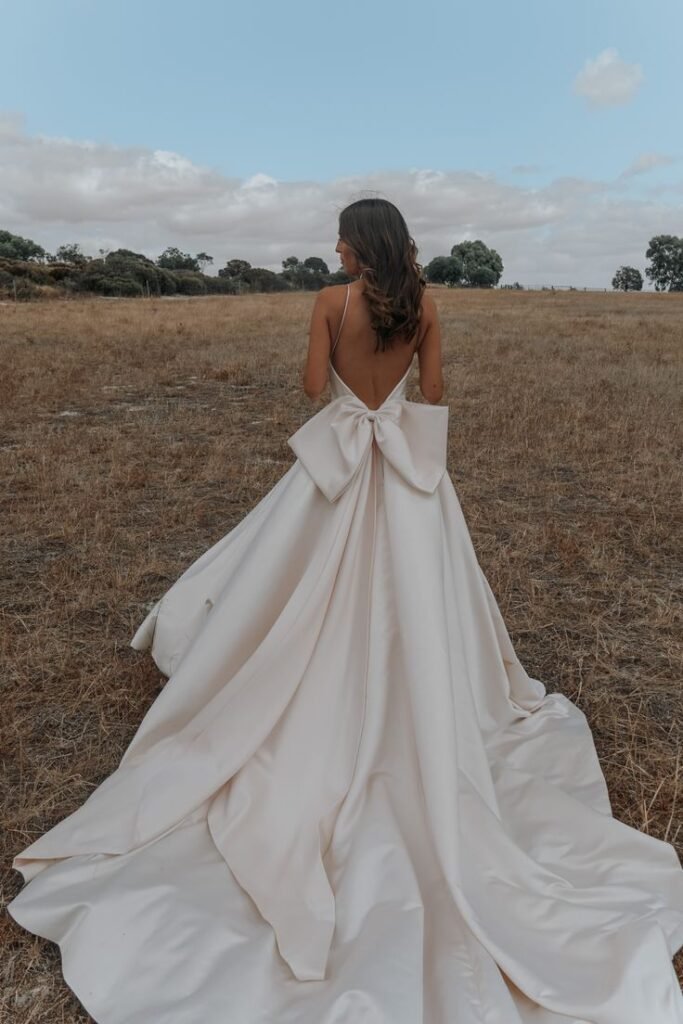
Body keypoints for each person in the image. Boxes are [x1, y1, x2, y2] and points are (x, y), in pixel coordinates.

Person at [7, 198, 683, 1024]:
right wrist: (394, 397)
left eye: (337, 233)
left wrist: (342, 379)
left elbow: (307, 387)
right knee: (424, 592)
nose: (330, 244)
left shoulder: (329, 300)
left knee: (287, 583)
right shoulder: (427, 305)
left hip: (335, 466)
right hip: (408, 479)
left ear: (353, 245)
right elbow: (433, 394)